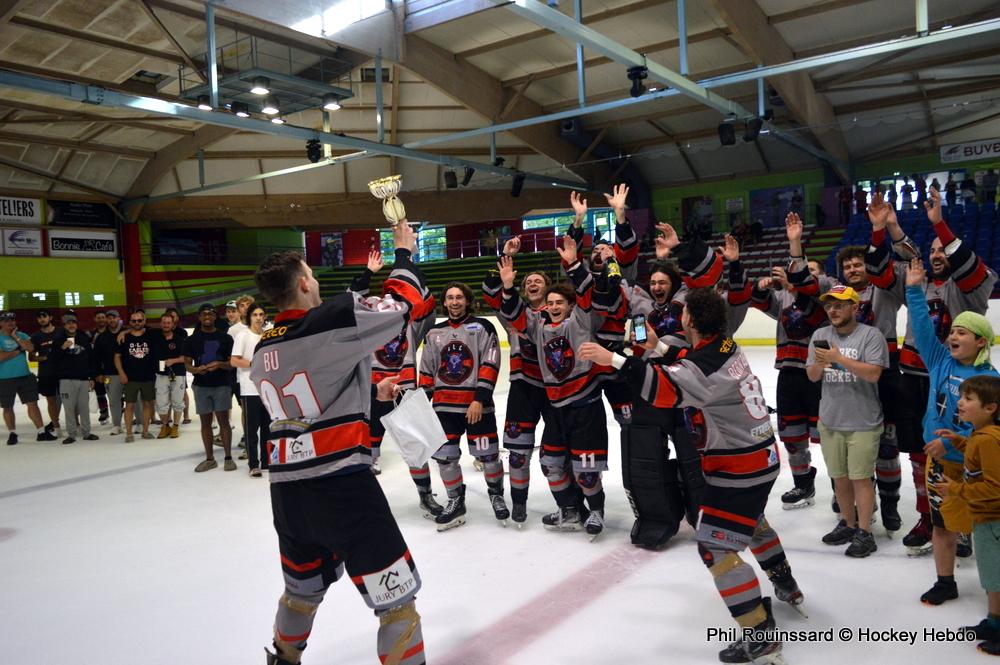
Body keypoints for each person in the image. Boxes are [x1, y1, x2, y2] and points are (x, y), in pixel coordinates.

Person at [579, 288, 802, 664]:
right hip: (762, 456)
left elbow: (665, 390)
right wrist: (659, 348)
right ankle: (785, 583)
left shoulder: (703, 367)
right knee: (752, 521)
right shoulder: (727, 347)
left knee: (714, 545)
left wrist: (614, 360)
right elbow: (696, 363)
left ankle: (759, 634)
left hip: (738, 466)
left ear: (690, 321)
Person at [250, 221, 428, 665]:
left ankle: (284, 660)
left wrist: (370, 392)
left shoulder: (262, 348)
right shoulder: (329, 319)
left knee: (301, 590)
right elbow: (402, 306)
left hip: (288, 494)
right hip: (342, 487)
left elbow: (309, 395)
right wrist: (404, 252)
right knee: (396, 602)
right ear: (306, 281)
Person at [890, 187, 996, 554]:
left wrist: (940, 224)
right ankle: (930, 514)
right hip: (919, 380)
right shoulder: (921, 285)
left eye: (943, 249)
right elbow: (919, 320)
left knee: (967, 453)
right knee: (922, 455)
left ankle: (967, 520)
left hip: (956, 382)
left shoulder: (974, 288)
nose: (937, 254)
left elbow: (967, 266)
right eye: (933, 249)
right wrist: (891, 227)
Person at [498, 237, 617, 536]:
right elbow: (514, 315)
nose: (552, 306)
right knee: (550, 462)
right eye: (549, 303)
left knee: (586, 471)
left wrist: (574, 264)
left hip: (585, 404)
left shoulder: (580, 321)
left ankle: (597, 512)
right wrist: (509, 286)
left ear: (569, 305)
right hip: (557, 406)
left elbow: (587, 295)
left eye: (558, 302)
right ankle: (570, 510)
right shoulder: (538, 326)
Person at [905, 257, 999, 606]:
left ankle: (995, 594)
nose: (953, 336)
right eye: (953, 330)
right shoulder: (940, 360)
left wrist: (955, 447)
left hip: (975, 470)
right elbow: (922, 327)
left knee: (987, 532)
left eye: (962, 333)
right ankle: (945, 582)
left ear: (981, 342)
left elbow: (992, 437)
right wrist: (914, 290)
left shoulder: (991, 383)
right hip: (940, 464)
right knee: (942, 526)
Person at [349, 250, 441, 513]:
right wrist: (367, 273)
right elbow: (350, 299)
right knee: (365, 450)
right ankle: (364, 503)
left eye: (393, 301)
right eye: (382, 301)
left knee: (417, 447)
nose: (387, 304)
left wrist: (408, 260)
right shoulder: (367, 324)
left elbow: (425, 300)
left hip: (405, 391)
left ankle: (425, 494)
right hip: (373, 392)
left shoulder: (411, 323)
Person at [752, 213, 828, 510]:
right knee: (792, 434)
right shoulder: (784, 298)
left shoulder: (827, 295)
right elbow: (759, 301)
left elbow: (814, 311)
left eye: (811, 272)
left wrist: (797, 287)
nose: (804, 276)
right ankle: (802, 484)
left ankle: (840, 486)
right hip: (788, 372)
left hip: (817, 373)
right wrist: (760, 286)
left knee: (828, 436)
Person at [807, 285, 889, 557]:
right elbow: (812, 377)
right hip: (830, 420)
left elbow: (875, 374)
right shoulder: (820, 335)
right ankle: (848, 523)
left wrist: (838, 358)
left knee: (861, 479)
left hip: (863, 422)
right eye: (829, 305)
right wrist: (821, 363)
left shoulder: (871, 336)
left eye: (839, 305)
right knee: (839, 479)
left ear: (855, 307)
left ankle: (865, 532)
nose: (833, 310)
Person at [418, 281, 507, 530]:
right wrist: (423, 404)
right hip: (444, 408)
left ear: (467, 300)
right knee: (445, 459)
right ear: (444, 302)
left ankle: (496, 494)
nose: (455, 302)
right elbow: (426, 370)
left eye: (459, 297)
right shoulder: (434, 333)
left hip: (476, 407)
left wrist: (479, 399)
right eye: (450, 298)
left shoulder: (483, 327)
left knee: (488, 456)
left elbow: (490, 364)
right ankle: (456, 502)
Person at [483, 237, 551, 525]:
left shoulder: (562, 310)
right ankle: (519, 503)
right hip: (523, 386)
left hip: (555, 388)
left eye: (538, 281)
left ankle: (573, 504)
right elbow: (491, 293)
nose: (532, 284)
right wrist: (504, 257)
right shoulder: (513, 313)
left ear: (548, 289)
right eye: (528, 282)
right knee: (518, 452)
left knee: (561, 452)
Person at [933, 375, 1000, 656]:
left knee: (996, 577)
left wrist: (956, 490)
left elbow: (994, 486)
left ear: (990, 408)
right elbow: (977, 457)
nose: (959, 402)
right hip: (985, 518)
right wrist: (960, 441)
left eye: (968, 399)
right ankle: (994, 622)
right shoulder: (980, 435)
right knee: (991, 577)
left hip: (992, 520)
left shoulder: (988, 440)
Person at [183, 303, 236, 472]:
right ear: (199, 317)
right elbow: (187, 365)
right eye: (204, 314)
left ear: (215, 317)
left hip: (221, 384)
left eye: (211, 314)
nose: (207, 316)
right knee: (205, 423)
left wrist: (220, 364)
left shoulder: (225, 338)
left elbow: (232, 364)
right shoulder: (191, 340)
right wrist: (196, 370)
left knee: (223, 422)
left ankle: (228, 457)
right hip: (201, 386)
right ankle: (210, 458)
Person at [1, 311, 54, 444]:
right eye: (6, 321)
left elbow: (30, 349)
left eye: (12, 320)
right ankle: (12, 433)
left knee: (33, 404)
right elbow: (0, 357)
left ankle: (41, 431)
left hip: (25, 376)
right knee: (8, 407)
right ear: (1, 323)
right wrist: (18, 350)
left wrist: (15, 337)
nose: (10, 323)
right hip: (5, 378)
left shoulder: (21, 335)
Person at [230, 303, 268, 477]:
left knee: (268, 428)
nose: (258, 318)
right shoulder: (243, 335)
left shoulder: (267, 335)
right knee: (251, 430)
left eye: (261, 314)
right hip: (250, 389)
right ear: (249, 317)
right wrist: (254, 364)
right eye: (255, 315)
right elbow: (234, 361)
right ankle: (254, 464)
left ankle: (267, 461)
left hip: (268, 390)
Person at [50, 313, 98, 444]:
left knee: (84, 408)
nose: (71, 325)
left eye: (73, 323)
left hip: (83, 379)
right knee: (69, 408)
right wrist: (62, 348)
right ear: (64, 325)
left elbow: (91, 359)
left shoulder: (83, 338)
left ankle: (86, 432)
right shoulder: (58, 340)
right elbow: (53, 360)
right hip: (66, 380)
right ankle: (71, 434)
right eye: (68, 323)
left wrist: (92, 377)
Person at [115, 309, 157, 442]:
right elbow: (117, 357)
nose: (137, 323)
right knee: (129, 406)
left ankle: (145, 431)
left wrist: (124, 330)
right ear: (130, 322)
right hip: (130, 377)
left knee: (147, 405)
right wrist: (121, 373)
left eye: (139, 320)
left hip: (148, 376)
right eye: (134, 321)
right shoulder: (123, 338)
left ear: (144, 321)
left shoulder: (150, 336)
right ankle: (129, 434)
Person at [153, 312, 187, 439]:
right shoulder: (155, 338)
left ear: (173, 324)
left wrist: (173, 360)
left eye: (168, 323)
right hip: (161, 374)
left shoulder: (180, 339)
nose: (166, 325)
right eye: (164, 322)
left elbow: (186, 358)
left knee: (178, 401)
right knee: (161, 403)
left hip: (177, 373)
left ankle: (176, 426)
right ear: (160, 324)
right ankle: (165, 425)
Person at [30, 309, 62, 437]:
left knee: (70, 400)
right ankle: (56, 426)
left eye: (44, 316)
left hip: (63, 372)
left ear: (51, 317)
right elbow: (31, 357)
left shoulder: (61, 332)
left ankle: (75, 424)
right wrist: (44, 358)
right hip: (46, 374)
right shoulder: (36, 336)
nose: (42, 319)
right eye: (39, 318)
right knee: (51, 401)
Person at [94, 309, 124, 435]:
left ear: (119, 319)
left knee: (135, 400)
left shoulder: (127, 333)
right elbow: (96, 357)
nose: (112, 320)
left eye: (114, 317)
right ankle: (117, 425)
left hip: (130, 373)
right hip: (110, 374)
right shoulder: (101, 337)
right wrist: (97, 373)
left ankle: (138, 422)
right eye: (109, 318)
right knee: (113, 401)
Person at [90, 311, 110, 424]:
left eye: (103, 317)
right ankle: (104, 411)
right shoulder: (91, 335)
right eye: (99, 317)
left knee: (114, 391)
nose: (101, 319)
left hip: (110, 369)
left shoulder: (111, 333)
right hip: (97, 370)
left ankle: (120, 410)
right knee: (100, 392)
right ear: (95, 319)